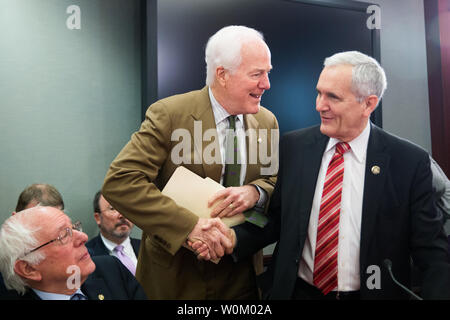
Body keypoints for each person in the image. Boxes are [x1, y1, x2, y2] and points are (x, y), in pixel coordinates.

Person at [198, 51, 450, 299]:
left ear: (368, 103)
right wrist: (234, 238)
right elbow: (277, 220)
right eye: (319, 93)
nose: (320, 105)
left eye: (333, 97)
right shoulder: (294, 146)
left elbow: (432, 253)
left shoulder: (408, 161)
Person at [102, 25, 278, 299]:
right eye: (257, 74)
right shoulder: (170, 114)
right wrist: (189, 227)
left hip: (241, 273)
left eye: (267, 73)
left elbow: (276, 182)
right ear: (222, 75)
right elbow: (122, 182)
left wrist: (255, 191)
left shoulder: (267, 121)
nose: (266, 84)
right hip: (177, 276)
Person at [0, 206, 147, 300]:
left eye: (74, 228)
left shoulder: (111, 270)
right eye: (64, 235)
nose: (83, 237)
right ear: (29, 268)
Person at [86, 191, 141, 275]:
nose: (122, 214)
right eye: (112, 208)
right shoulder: (87, 256)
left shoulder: (147, 249)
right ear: (98, 218)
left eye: (126, 207)